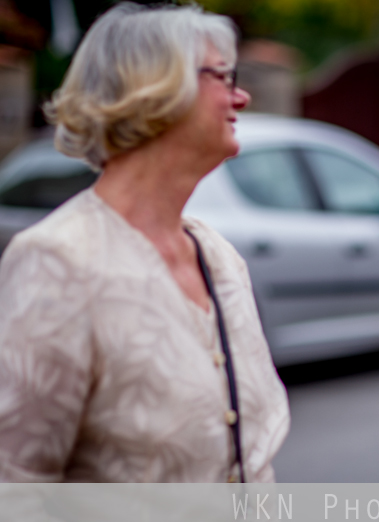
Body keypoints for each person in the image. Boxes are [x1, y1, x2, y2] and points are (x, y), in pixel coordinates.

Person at [0, 3, 289, 482]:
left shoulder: (218, 257)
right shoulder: (57, 262)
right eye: (223, 76)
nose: (241, 96)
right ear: (156, 90)